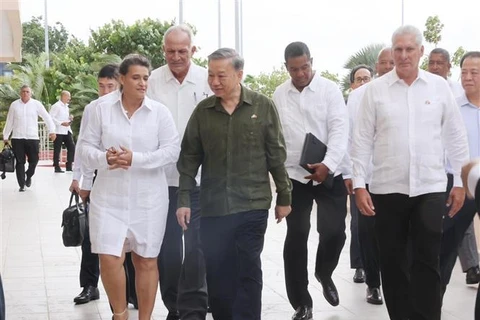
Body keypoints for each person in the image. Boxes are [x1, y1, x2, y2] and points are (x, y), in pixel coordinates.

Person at [351, 25, 469, 320]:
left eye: (409, 49)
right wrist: (359, 185)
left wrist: (459, 182)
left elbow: (455, 135)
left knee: (427, 261)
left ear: (420, 52)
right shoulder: (375, 91)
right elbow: (361, 139)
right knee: (392, 262)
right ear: (392, 52)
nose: (403, 56)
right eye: (398, 50)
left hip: (429, 188)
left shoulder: (439, 87)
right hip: (386, 189)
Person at [176, 47, 292, 320]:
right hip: (213, 207)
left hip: (252, 205)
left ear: (239, 74)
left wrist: (284, 196)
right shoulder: (203, 112)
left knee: (248, 269)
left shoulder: (262, 106)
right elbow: (189, 159)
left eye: (222, 76)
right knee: (217, 273)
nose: (214, 82)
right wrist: (183, 200)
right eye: (211, 75)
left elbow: (276, 153)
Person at [79, 53, 180, 320]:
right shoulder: (99, 109)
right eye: (136, 77)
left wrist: (137, 159)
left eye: (146, 78)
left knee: (145, 260)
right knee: (109, 257)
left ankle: (144, 318)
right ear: (122, 79)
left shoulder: (159, 113)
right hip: (109, 198)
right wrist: (105, 158)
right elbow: (84, 149)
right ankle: (120, 314)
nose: (143, 83)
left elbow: (172, 151)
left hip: (149, 199)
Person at [273, 41, 349, 320]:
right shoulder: (279, 94)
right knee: (297, 236)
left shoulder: (329, 90)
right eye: (294, 69)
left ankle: (324, 271)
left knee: (335, 232)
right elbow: (277, 138)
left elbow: (340, 130)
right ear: (286, 68)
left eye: (305, 67)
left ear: (311, 61)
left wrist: (327, 165)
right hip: (295, 176)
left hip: (330, 173)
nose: (301, 73)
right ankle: (301, 302)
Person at [146, 24, 211, 320]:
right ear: (163, 51)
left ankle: (194, 307)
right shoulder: (152, 81)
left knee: (197, 247)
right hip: (162, 181)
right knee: (168, 252)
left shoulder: (207, 78)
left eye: (182, 51)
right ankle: (174, 305)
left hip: (200, 180)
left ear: (193, 50)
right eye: (170, 51)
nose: (175, 57)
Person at [344, 47, 394, 306]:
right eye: (383, 63)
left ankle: (395, 281)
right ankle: (373, 283)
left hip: (399, 180)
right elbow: (350, 136)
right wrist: (350, 173)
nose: (387, 67)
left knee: (395, 233)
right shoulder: (359, 96)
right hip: (366, 177)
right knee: (366, 231)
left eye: (391, 63)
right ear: (377, 67)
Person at [68, 64, 120, 305]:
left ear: (120, 84)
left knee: (124, 238)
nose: (105, 91)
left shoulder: (131, 106)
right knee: (92, 235)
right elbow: (82, 147)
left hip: (123, 177)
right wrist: (78, 178)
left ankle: (127, 290)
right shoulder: (92, 108)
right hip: (97, 177)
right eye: (101, 86)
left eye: (110, 86)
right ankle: (89, 285)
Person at [440, 51, 480, 301]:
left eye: (474, 72)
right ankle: (433, 301)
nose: (467, 77)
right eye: (464, 72)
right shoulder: (452, 106)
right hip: (457, 184)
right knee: (444, 246)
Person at [347, 64, 374, 285]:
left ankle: (376, 266)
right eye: (359, 79)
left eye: (367, 78)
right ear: (352, 84)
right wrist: (349, 173)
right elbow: (347, 139)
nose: (364, 82)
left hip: (382, 175)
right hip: (359, 173)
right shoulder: (352, 103)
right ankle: (359, 265)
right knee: (358, 223)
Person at [2, 85, 56, 191]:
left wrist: (52, 131)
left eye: (27, 92)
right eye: (23, 91)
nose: (25, 93)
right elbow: (10, 121)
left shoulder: (36, 104)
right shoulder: (14, 105)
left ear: (30, 93)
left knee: (34, 160)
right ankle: (21, 184)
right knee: (20, 161)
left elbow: (47, 117)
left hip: (32, 138)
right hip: (18, 138)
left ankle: (29, 174)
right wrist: (6, 135)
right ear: (20, 93)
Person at [49, 90, 75, 173]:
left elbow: (63, 117)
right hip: (58, 131)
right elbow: (51, 118)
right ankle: (56, 166)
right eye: (68, 96)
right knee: (57, 149)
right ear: (63, 96)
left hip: (67, 130)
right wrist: (61, 123)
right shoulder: (56, 106)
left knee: (72, 147)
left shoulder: (66, 106)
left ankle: (69, 165)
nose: (69, 98)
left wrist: (70, 118)